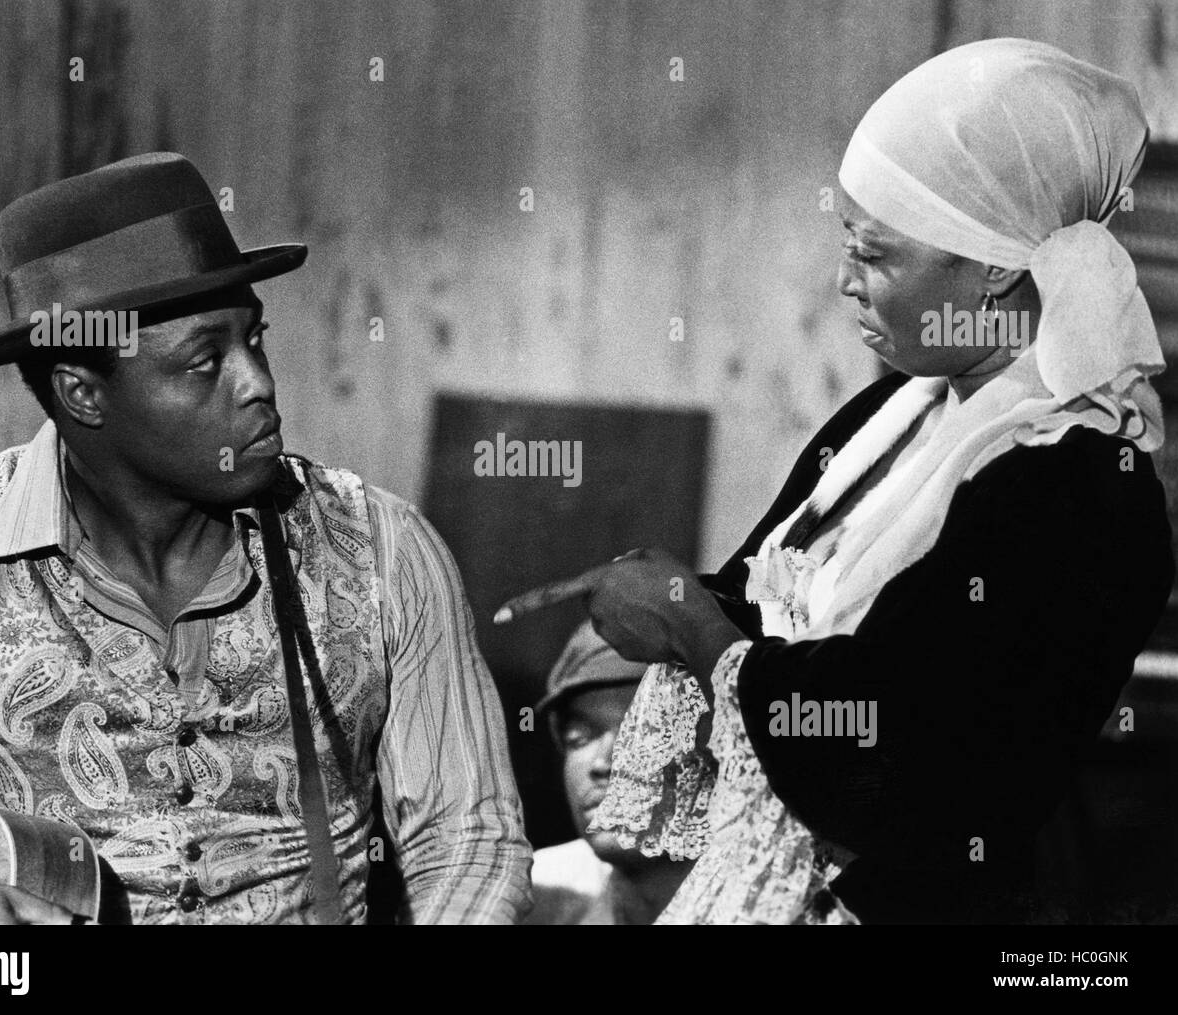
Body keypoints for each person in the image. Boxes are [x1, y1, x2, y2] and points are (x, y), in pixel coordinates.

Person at [497, 38, 1173, 924]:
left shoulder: (1074, 483)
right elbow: (776, 601)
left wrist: (695, 630)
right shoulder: (895, 413)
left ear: (997, 264)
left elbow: (891, 748)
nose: (845, 281)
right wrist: (674, 595)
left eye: (877, 254)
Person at [0, 152, 531, 925]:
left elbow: (470, 840)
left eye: (254, 338)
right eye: (205, 361)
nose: (257, 381)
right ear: (82, 393)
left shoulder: (384, 548)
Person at [525, 622, 688, 924]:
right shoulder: (529, 897)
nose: (604, 763)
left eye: (644, 730)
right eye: (578, 738)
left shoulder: (781, 896)